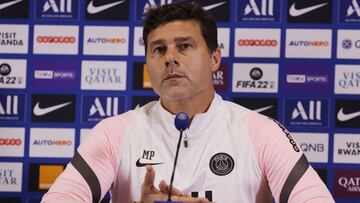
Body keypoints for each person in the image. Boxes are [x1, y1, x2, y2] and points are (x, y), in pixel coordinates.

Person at [41, 2, 334, 203]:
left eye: (184, 46)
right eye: (158, 49)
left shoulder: (260, 132)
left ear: (214, 58)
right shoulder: (114, 133)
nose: (170, 58)